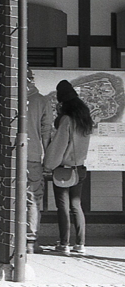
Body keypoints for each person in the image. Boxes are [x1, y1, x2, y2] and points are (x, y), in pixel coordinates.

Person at [44, 80, 93, 255]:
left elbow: (59, 146)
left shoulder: (66, 120)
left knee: (63, 207)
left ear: (63, 102)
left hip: (64, 169)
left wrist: (48, 165)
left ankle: (64, 244)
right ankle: (80, 244)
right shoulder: (85, 118)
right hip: (80, 168)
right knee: (76, 205)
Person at [25, 70, 53, 253]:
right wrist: (48, 159)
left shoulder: (9, 98)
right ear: (32, 80)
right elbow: (46, 133)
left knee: (9, 197)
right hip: (33, 156)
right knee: (33, 199)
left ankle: (10, 237)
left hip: (9, 158)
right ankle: (30, 242)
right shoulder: (42, 101)